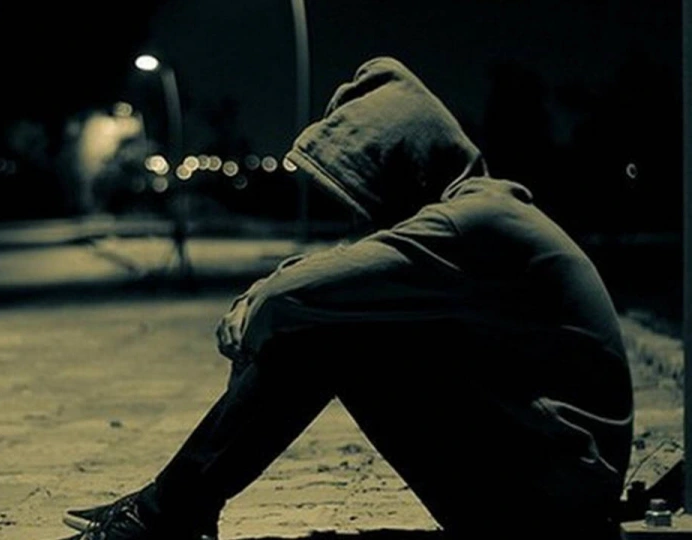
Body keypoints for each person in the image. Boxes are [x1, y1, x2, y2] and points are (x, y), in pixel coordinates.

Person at [61, 57, 634, 540]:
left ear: (400, 161)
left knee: (328, 335)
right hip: (553, 485)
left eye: (365, 185)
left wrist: (263, 304)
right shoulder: (476, 212)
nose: (361, 212)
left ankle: (166, 512)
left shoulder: (473, 223)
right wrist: (266, 299)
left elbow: (297, 296)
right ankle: (170, 506)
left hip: (550, 504)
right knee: (336, 320)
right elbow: (330, 276)